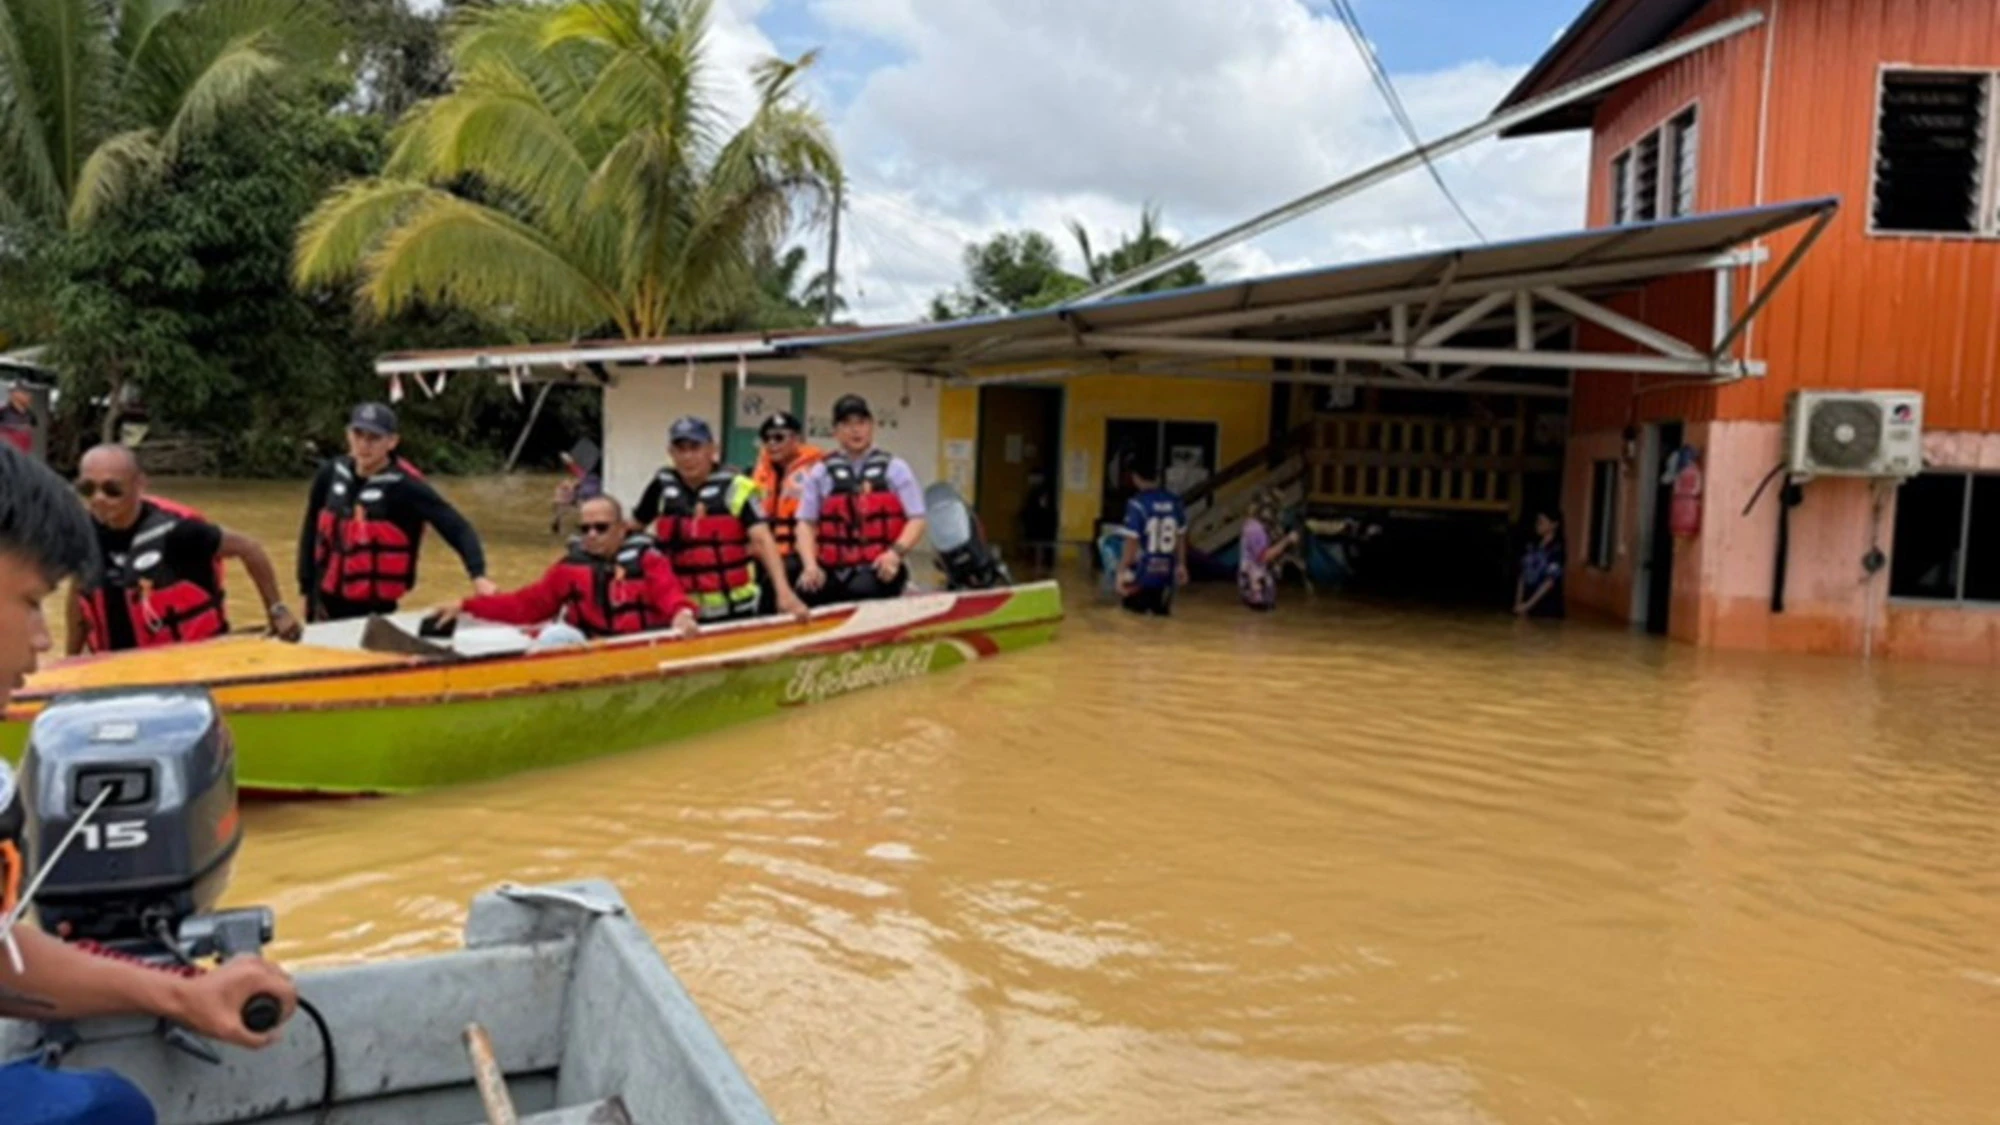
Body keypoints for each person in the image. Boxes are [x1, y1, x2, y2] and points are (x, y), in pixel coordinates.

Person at [0, 443, 298, 1123]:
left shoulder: (184, 534)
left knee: (105, 1106)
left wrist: (184, 994)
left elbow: (2, 956)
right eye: (29, 602)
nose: (45, 641)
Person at [65, 444, 302, 655]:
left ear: (140, 485)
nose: (98, 499)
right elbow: (79, 597)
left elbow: (250, 549)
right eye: (87, 489)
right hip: (116, 666)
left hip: (188, 663)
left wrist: (277, 610)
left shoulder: (180, 532)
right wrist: (70, 661)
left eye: (112, 490)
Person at [297, 403, 497, 622]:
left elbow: (458, 528)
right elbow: (310, 532)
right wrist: (305, 589)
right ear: (348, 434)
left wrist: (479, 576)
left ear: (392, 442)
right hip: (322, 602)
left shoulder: (406, 487)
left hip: (374, 609)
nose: (364, 444)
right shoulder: (330, 473)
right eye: (358, 434)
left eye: (374, 438)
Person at [438, 496, 699, 640]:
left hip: (639, 645)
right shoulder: (569, 569)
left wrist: (682, 615)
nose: (592, 535)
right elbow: (527, 605)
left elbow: (671, 595)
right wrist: (467, 606)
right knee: (554, 635)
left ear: (622, 529)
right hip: (591, 647)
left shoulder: (648, 560)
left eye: (602, 527)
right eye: (585, 529)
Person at [633, 416, 807, 624]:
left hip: (735, 608)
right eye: (681, 449)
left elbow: (763, 540)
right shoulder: (661, 487)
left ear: (712, 449)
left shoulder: (737, 486)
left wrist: (784, 592)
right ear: (671, 453)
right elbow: (634, 529)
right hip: (682, 612)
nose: (688, 457)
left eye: (695, 448)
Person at [795, 395, 929, 603]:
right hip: (834, 564)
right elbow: (806, 522)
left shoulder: (895, 469)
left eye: (861, 423)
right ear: (836, 431)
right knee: (807, 590)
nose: (855, 430)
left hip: (880, 563)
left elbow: (917, 519)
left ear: (871, 426)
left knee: (862, 590)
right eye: (847, 424)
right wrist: (810, 566)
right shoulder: (821, 471)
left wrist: (894, 554)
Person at [749, 412, 826, 614]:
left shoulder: (818, 472)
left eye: (779, 437)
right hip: (764, 555)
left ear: (797, 439)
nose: (772, 444)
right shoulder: (754, 474)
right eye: (767, 438)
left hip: (801, 556)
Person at [1114, 459, 1188, 616]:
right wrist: (1181, 564)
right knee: (1161, 623)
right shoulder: (1175, 502)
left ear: (1135, 477)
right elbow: (1181, 536)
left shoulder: (1137, 504)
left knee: (1133, 625)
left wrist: (1121, 570)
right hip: (1166, 575)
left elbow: (1132, 542)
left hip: (1142, 574)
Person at [1239, 493, 1299, 613]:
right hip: (1257, 588)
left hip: (1254, 584)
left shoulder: (1251, 525)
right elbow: (1263, 556)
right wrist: (1286, 541)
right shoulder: (1255, 529)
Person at [1515, 510, 1566, 619]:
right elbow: (1523, 574)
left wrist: (1528, 605)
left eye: (1541, 522)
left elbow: (1550, 581)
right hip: (1527, 604)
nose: (1537, 525)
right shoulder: (1532, 546)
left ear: (1554, 525)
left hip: (1546, 608)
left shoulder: (1556, 550)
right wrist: (1519, 601)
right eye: (1537, 522)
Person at [0, 382, 39, 457]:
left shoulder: (30, 415)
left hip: (23, 459)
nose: (29, 396)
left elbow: (31, 435)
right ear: (14, 394)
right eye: (25, 393)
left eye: (29, 393)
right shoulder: (2, 412)